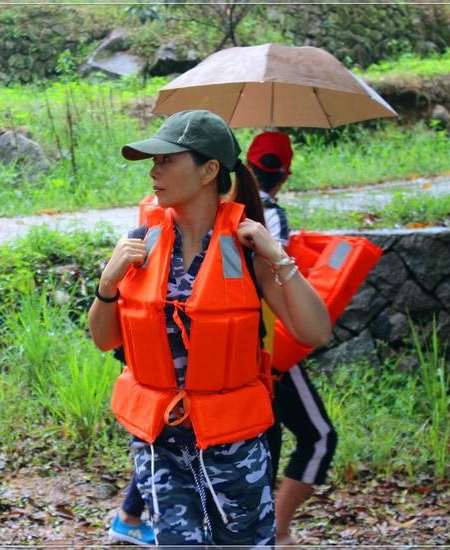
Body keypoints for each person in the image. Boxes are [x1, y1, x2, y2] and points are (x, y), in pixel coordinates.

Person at [89, 110, 331, 546]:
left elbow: (315, 331)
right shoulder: (142, 241)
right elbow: (105, 339)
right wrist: (108, 282)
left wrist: (278, 258)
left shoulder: (245, 245)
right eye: (153, 162)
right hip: (161, 441)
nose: (154, 171)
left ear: (209, 170)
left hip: (233, 442)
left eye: (167, 160)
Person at [247, 131, 339, 546]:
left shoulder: (217, 210)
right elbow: (275, 284)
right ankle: (277, 533)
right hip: (268, 350)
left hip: (222, 351)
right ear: (285, 176)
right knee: (319, 436)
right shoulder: (270, 217)